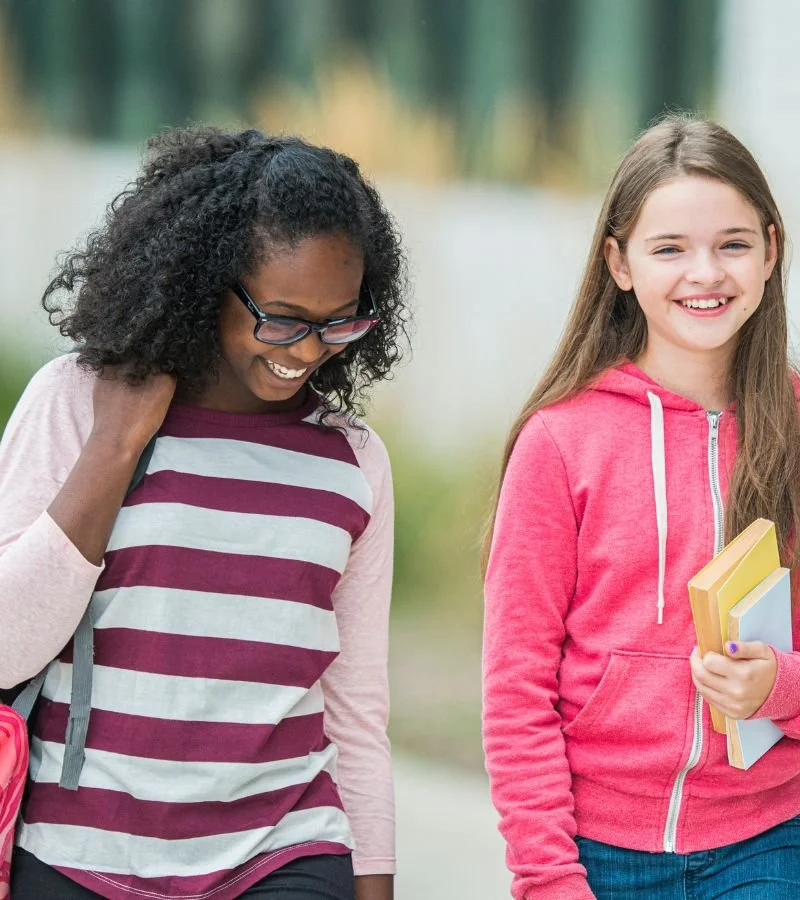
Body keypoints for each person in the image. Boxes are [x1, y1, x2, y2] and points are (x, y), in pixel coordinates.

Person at [0, 126, 408, 900]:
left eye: (339, 321)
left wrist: (375, 884)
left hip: (283, 852)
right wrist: (115, 446)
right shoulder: (75, 401)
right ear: (205, 279)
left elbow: (357, 710)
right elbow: (3, 649)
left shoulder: (353, 462)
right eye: (283, 317)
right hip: (78, 856)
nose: (309, 349)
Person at [482, 114, 800, 900]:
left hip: (770, 838)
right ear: (619, 263)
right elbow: (517, 684)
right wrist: (547, 877)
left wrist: (781, 689)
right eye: (670, 249)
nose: (706, 273)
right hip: (597, 853)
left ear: (771, 249)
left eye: (731, 244)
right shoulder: (560, 441)